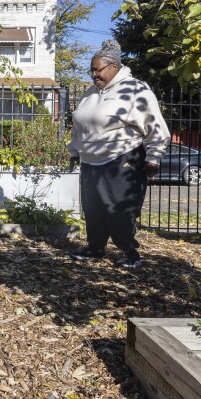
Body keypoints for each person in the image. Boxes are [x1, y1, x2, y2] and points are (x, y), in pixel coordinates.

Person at [67, 39, 170, 269]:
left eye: (98, 70)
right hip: (91, 161)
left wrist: (154, 155)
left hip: (122, 158)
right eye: (91, 70)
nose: (93, 75)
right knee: (93, 209)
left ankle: (130, 253)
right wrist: (74, 151)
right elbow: (79, 125)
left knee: (119, 210)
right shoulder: (90, 93)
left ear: (114, 67)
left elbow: (154, 124)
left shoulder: (135, 89)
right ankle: (95, 248)